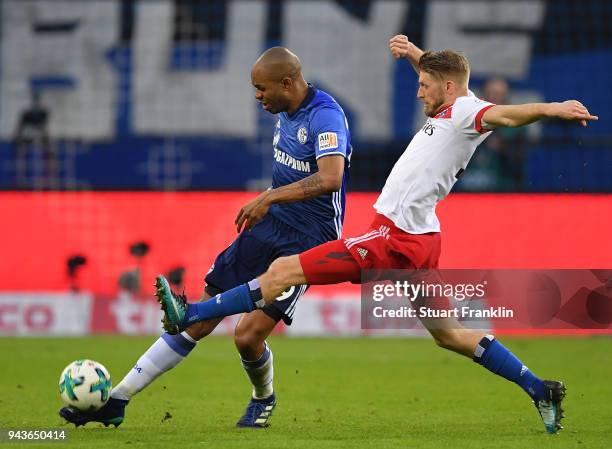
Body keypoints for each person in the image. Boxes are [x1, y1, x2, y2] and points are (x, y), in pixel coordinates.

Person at [156, 35, 598, 434]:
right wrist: (413, 55)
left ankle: (191, 312)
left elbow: (506, 115)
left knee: (282, 272)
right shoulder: (454, 99)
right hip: (423, 238)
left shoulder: (469, 111)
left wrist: (552, 109)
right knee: (450, 334)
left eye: (424, 85)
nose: (418, 89)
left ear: (446, 89)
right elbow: (443, 76)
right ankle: (539, 388)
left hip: (392, 238)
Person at [59, 47, 352, 428]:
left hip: (308, 241)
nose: (257, 97)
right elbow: (291, 172)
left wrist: (268, 196)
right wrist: (271, 200)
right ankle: (117, 400)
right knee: (196, 320)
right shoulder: (284, 112)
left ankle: (263, 398)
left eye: (261, 89)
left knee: (247, 337)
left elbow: (331, 178)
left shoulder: (326, 117)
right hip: (269, 227)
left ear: (287, 83)